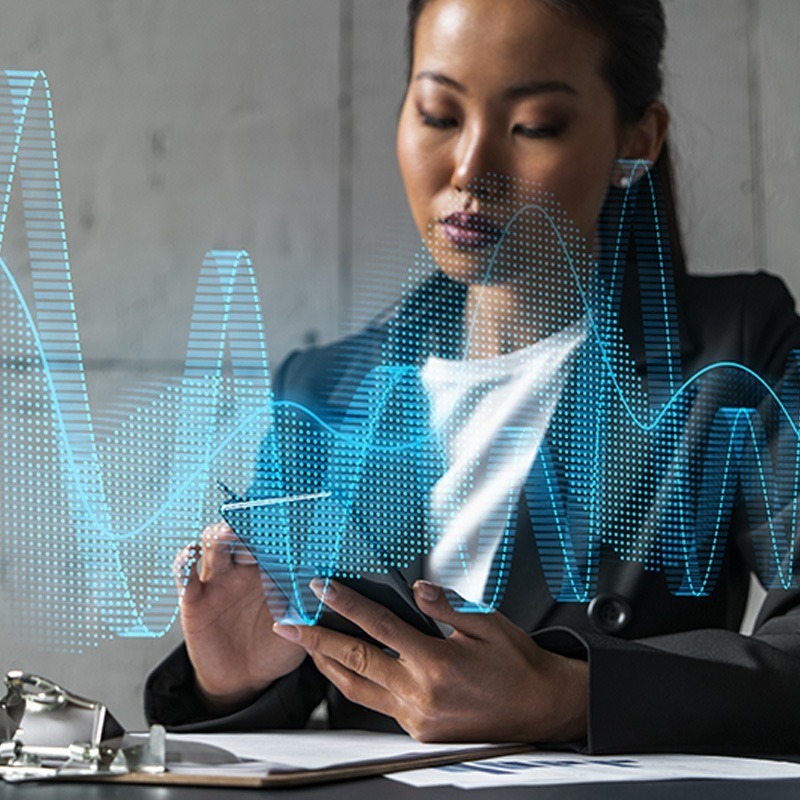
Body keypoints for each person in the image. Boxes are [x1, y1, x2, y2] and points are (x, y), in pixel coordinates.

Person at [146, 0, 800, 753]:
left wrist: (573, 696)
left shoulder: (734, 346)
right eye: (438, 114)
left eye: (533, 127)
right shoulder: (322, 393)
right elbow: (278, 709)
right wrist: (230, 680)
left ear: (636, 139)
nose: (469, 170)